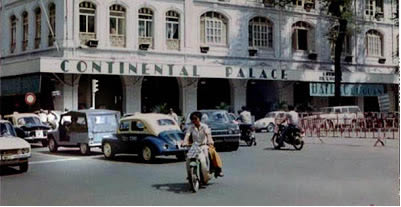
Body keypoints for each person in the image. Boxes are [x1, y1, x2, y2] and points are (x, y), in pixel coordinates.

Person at [182, 112, 224, 177]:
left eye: (195, 118)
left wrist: (210, 140)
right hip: (194, 146)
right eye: (192, 119)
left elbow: (208, 135)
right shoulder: (191, 127)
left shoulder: (204, 126)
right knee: (188, 158)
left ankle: (216, 169)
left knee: (210, 153)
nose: (194, 120)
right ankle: (189, 174)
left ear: (199, 119)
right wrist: (184, 142)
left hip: (204, 145)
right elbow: (187, 136)